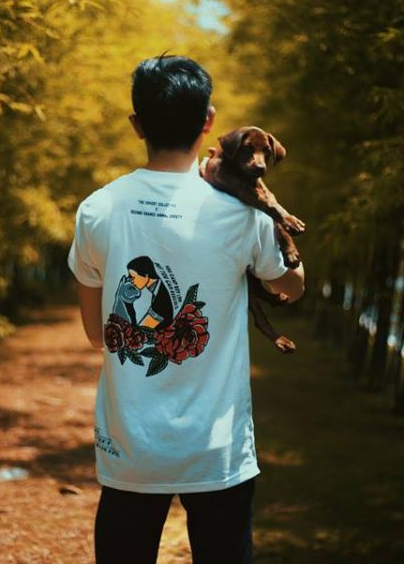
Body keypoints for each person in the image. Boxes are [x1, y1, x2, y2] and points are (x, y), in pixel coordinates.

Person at [68, 53, 305, 564]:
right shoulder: (241, 215)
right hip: (217, 450)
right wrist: (269, 210)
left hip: (130, 449)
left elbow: (95, 333)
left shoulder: (98, 209)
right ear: (209, 122)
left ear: (137, 125)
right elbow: (294, 285)